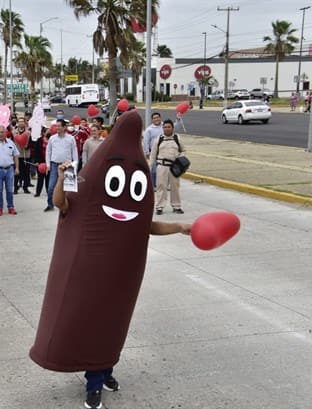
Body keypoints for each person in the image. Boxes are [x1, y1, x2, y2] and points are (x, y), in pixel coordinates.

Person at [29, 111, 192, 409]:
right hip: (87, 274)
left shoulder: (135, 184)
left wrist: (180, 227)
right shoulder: (87, 182)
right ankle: (94, 383)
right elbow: (62, 204)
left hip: (120, 277)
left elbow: (147, 226)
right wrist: (62, 180)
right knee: (89, 322)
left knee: (113, 324)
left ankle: (105, 371)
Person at [149, 119, 187, 215]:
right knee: (161, 186)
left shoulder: (177, 138)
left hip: (175, 167)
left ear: (172, 128)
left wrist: (181, 157)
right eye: (165, 127)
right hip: (162, 166)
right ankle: (160, 207)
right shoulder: (159, 139)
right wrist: (149, 167)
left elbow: (183, 150)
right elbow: (153, 154)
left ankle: (176, 206)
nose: (167, 129)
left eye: (169, 127)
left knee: (175, 186)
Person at [44, 119, 78, 212]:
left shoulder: (71, 138)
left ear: (64, 127)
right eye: (56, 126)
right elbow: (48, 152)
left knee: (68, 188)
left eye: (59, 126)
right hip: (55, 166)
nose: (57, 128)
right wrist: (48, 165)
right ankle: (50, 204)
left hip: (67, 166)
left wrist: (75, 165)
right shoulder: (52, 138)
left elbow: (74, 153)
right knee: (51, 187)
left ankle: (66, 206)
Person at [142, 112, 163, 187]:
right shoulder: (149, 129)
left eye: (157, 117)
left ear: (160, 118)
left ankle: (163, 184)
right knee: (154, 170)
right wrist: (147, 152)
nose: (156, 119)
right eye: (154, 118)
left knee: (163, 169)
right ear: (152, 120)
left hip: (164, 152)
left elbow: (175, 127)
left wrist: (178, 119)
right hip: (153, 152)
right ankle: (153, 185)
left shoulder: (164, 126)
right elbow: (146, 141)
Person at [13, 118, 32, 194]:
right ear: (17, 123)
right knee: (17, 172)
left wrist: (27, 146)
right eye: (19, 122)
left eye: (22, 122)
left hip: (26, 155)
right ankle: (15, 187)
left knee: (26, 172)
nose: (21, 123)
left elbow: (31, 142)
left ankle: (25, 187)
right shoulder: (14, 132)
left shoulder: (28, 132)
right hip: (17, 155)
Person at [32, 128, 50, 198]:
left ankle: (49, 192)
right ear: (43, 133)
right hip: (40, 162)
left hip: (49, 162)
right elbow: (35, 151)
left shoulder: (52, 140)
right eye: (47, 132)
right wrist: (36, 161)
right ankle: (38, 192)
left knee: (48, 179)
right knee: (40, 179)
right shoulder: (39, 140)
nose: (49, 133)